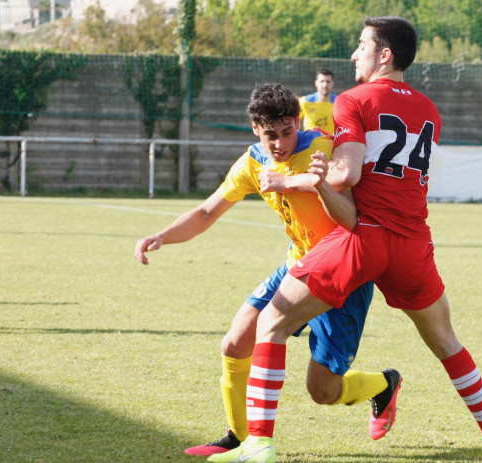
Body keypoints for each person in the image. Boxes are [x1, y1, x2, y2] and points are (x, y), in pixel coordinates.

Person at [210, 17, 482, 463]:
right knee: (446, 342)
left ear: (384, 55)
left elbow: (346, 175)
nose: (354, 54)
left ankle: (259, 445)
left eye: (361, 46)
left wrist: (303, 178)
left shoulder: (352, 99)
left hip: (365, 238)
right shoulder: (430, 109)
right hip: (413, 244)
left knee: (272, 324)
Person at [134, 83, 401, 457]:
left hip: (343, 273)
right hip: (297, 264)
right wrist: (163, 235)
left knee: (323, 391)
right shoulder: (253, 161)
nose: (278, 143)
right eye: (269, 134)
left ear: (297, 122)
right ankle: (238, 439)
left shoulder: (321, 150)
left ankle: (383, 385)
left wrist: (310, 183)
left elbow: (352, 216)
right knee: (235, 342)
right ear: (256, 130)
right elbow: (208, 211)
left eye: (286, 132)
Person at [298, 68, 337, 133]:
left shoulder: (339, 103)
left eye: (328, 82)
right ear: (316, 83)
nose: (325, 85)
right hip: (310, 142)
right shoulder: (304, 102)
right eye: (322, 81)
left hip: (331, 141)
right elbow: (294, 123)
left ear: (332, 83)